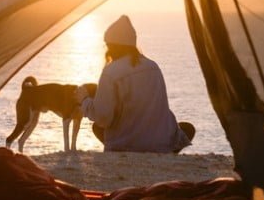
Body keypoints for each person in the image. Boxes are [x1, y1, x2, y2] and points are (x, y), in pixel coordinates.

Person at [74, 15, 194, 153]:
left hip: (128, 143)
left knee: (97, 127)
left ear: (111, 46)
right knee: (186, 128)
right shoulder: (153, 67)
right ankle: (163, 148)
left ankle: (127, 148)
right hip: (160, 142)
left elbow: (103, 118)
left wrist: (84, 100)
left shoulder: (111, 72)